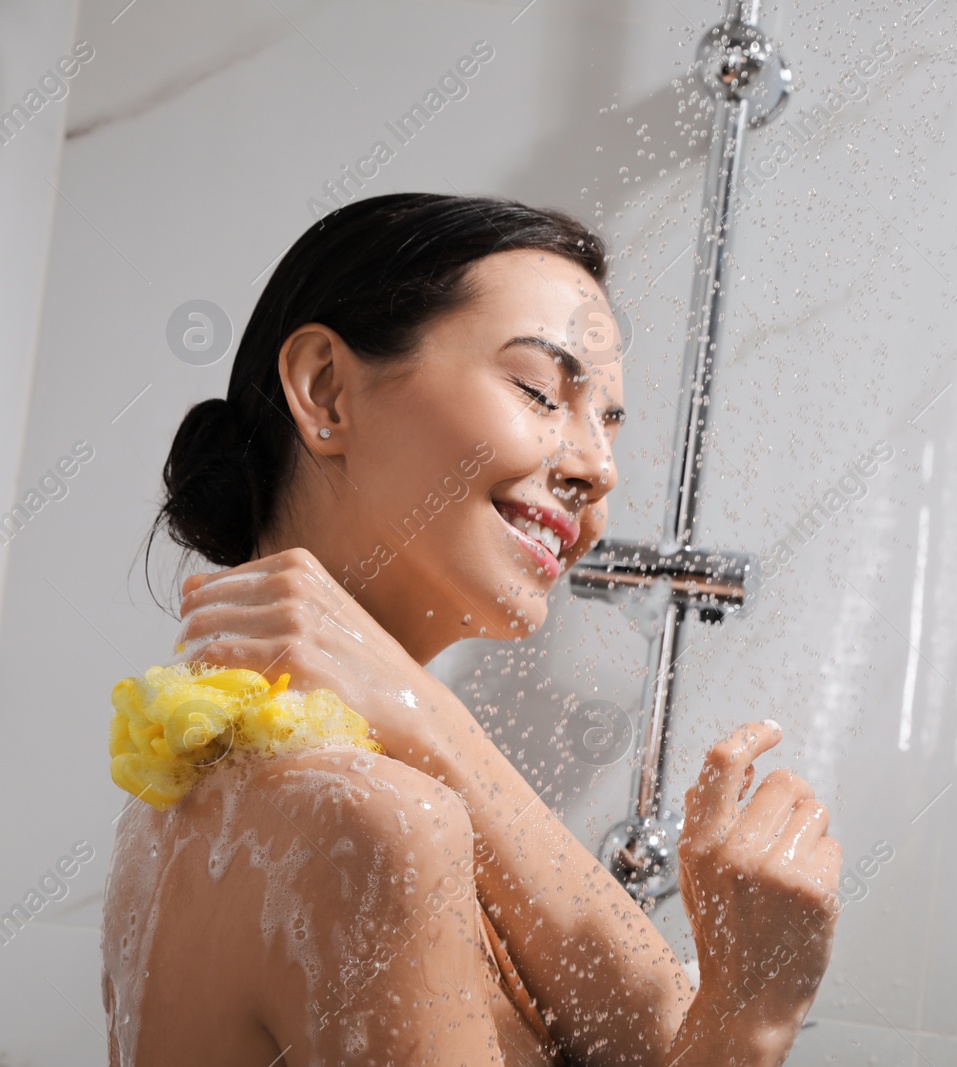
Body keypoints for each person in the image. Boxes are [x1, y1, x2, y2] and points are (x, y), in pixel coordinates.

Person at [101, 193, 842, 1065]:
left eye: (608, 424)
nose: (599, 469)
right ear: (326, 390)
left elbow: (655, 1040)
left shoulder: (188, 794)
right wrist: (753, 1016)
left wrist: (429, 719)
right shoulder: (374, 822)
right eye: (540, 391)